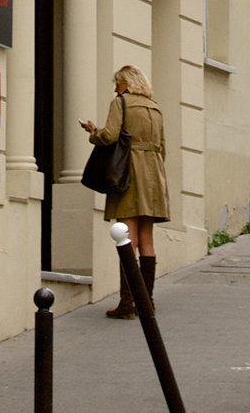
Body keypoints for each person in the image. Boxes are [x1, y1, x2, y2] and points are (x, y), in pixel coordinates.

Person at [81, 65, 171, 317]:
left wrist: (92, 132)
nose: (115, 87)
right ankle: (147, 301)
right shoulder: (155, 107)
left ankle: (128, 303)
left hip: (129, 173)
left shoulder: (121, 102)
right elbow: (162, 147)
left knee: (127, 239)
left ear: (127, 83)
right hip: (154, 174)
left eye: (118, 83)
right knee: (147, 241)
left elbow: (109, 136)